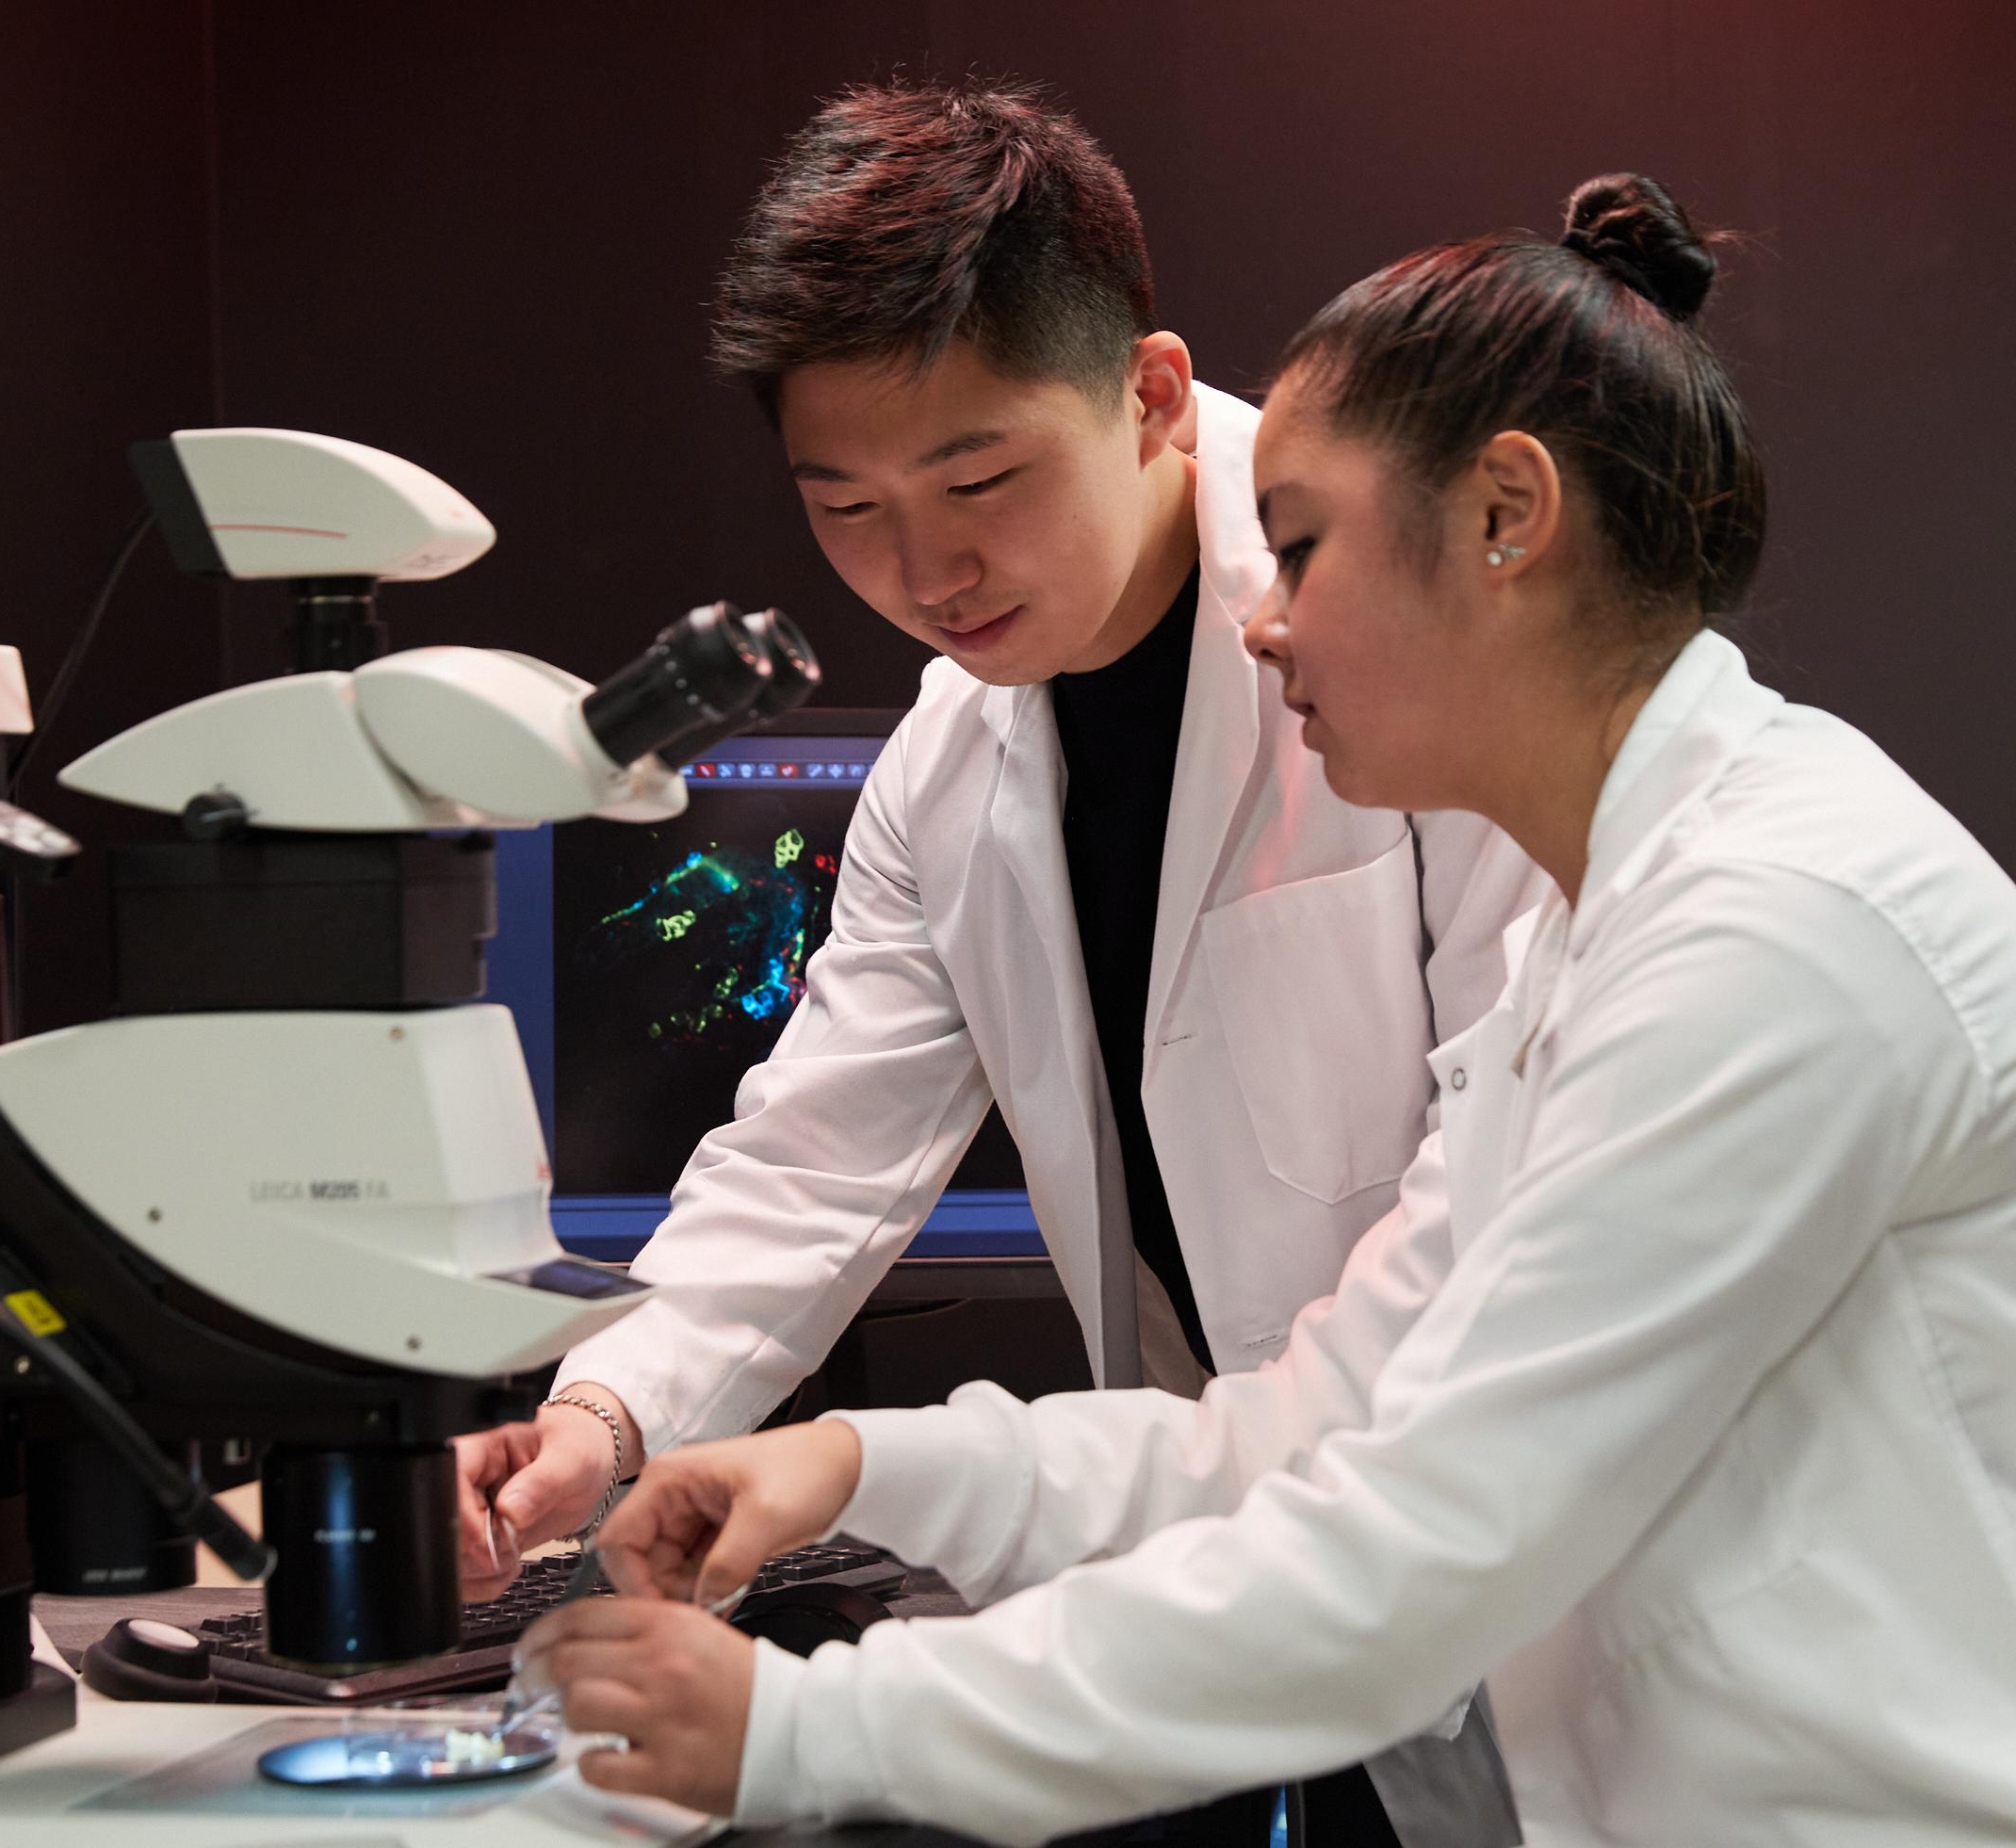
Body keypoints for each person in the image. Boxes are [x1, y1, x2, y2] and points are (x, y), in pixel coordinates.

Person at [514, 177, 2016, 1846]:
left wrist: (807, 1731)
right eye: (847, 505)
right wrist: (855, 1462)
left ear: (1506, 516)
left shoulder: (1772, 937)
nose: (1259, 624)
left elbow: (1414, 1548)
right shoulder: (1605, 947)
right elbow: (1314, 1424)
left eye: (1305, 549)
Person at [449, 79, 1540, 1844]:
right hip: (1263, 1567)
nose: (925, 568)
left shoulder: (1418, 658)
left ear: (1154, 395)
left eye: (979, 476)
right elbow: (810, 1164)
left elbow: (1471, 1286)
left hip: (1506, 1570)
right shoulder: (953, 763)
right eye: (846, 507)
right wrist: (602, 1419)